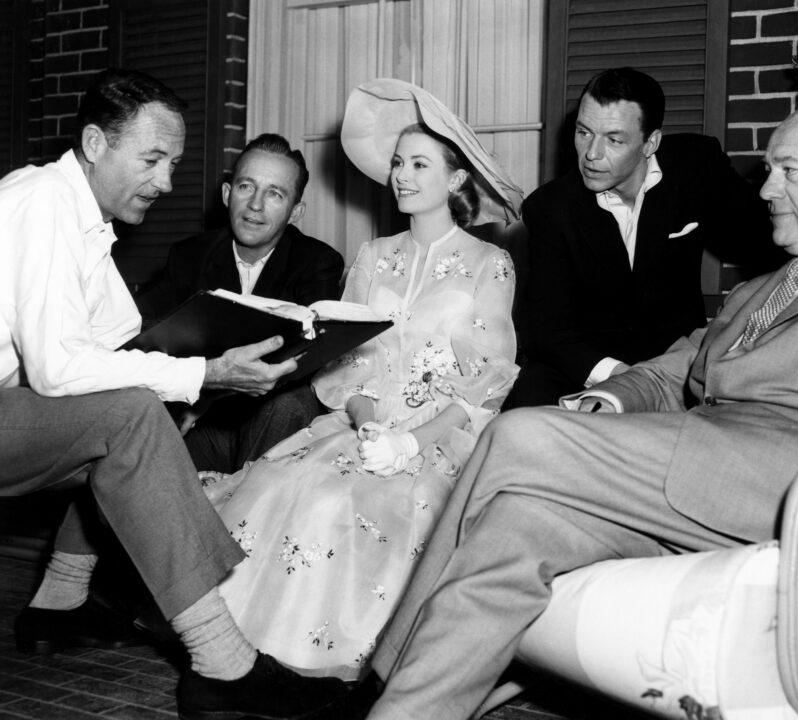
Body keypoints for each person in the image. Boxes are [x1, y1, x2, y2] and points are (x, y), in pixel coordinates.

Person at [313, 100, 798, 720]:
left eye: (788, 170)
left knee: (519, 436)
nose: (767, 187)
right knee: (518, 521)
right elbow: (680, 367)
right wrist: (612, 396)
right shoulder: (757, 290)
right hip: (697, 469)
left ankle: (377, 679)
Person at [0, 67, 349, 720]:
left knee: (133, 411)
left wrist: (192, 373)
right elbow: (56, 368)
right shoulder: (43, 202)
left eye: (174, 163)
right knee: (131, 414)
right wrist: (205, 375)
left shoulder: (88, 227)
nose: (165, 182)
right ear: (97, 144)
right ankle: (224, 662)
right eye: (153, 159)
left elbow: (122, 348)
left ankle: (74, 605)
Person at [200, 78, 521, 682]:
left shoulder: (489, 262)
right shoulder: (374, 256)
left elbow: (489, 379)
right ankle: (238, 657)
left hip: (444, 440)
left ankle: (333, 663)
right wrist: (370, 425)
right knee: (280, 486)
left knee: (348, 505)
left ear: (455, 180)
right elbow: (351, 362)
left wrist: (410, 444)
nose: (401, 174)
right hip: (360, 426)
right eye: (399, 162)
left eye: (419, 164)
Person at [504, 66, 780, 409]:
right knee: (516, 427)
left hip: (673, 365)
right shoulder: (549, 208)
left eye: (614, 139)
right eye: (584, 132)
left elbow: (769, 240)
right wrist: (619, 376)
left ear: (651, 142)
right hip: (582, 364)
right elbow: (547, 329)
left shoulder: (696, 166)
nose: (592, 154)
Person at [137, 132, 345, 473]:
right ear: (227, 193)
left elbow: (307, 361)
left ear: (295, 212)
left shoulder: (317, 261)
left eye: (275, 194)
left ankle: (251, 522)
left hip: (273, 421)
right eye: (246, 187)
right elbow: (144, 329)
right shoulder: (189, 256)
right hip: (203, 424)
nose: (256, 205)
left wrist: (209, 392)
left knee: (290, 404)